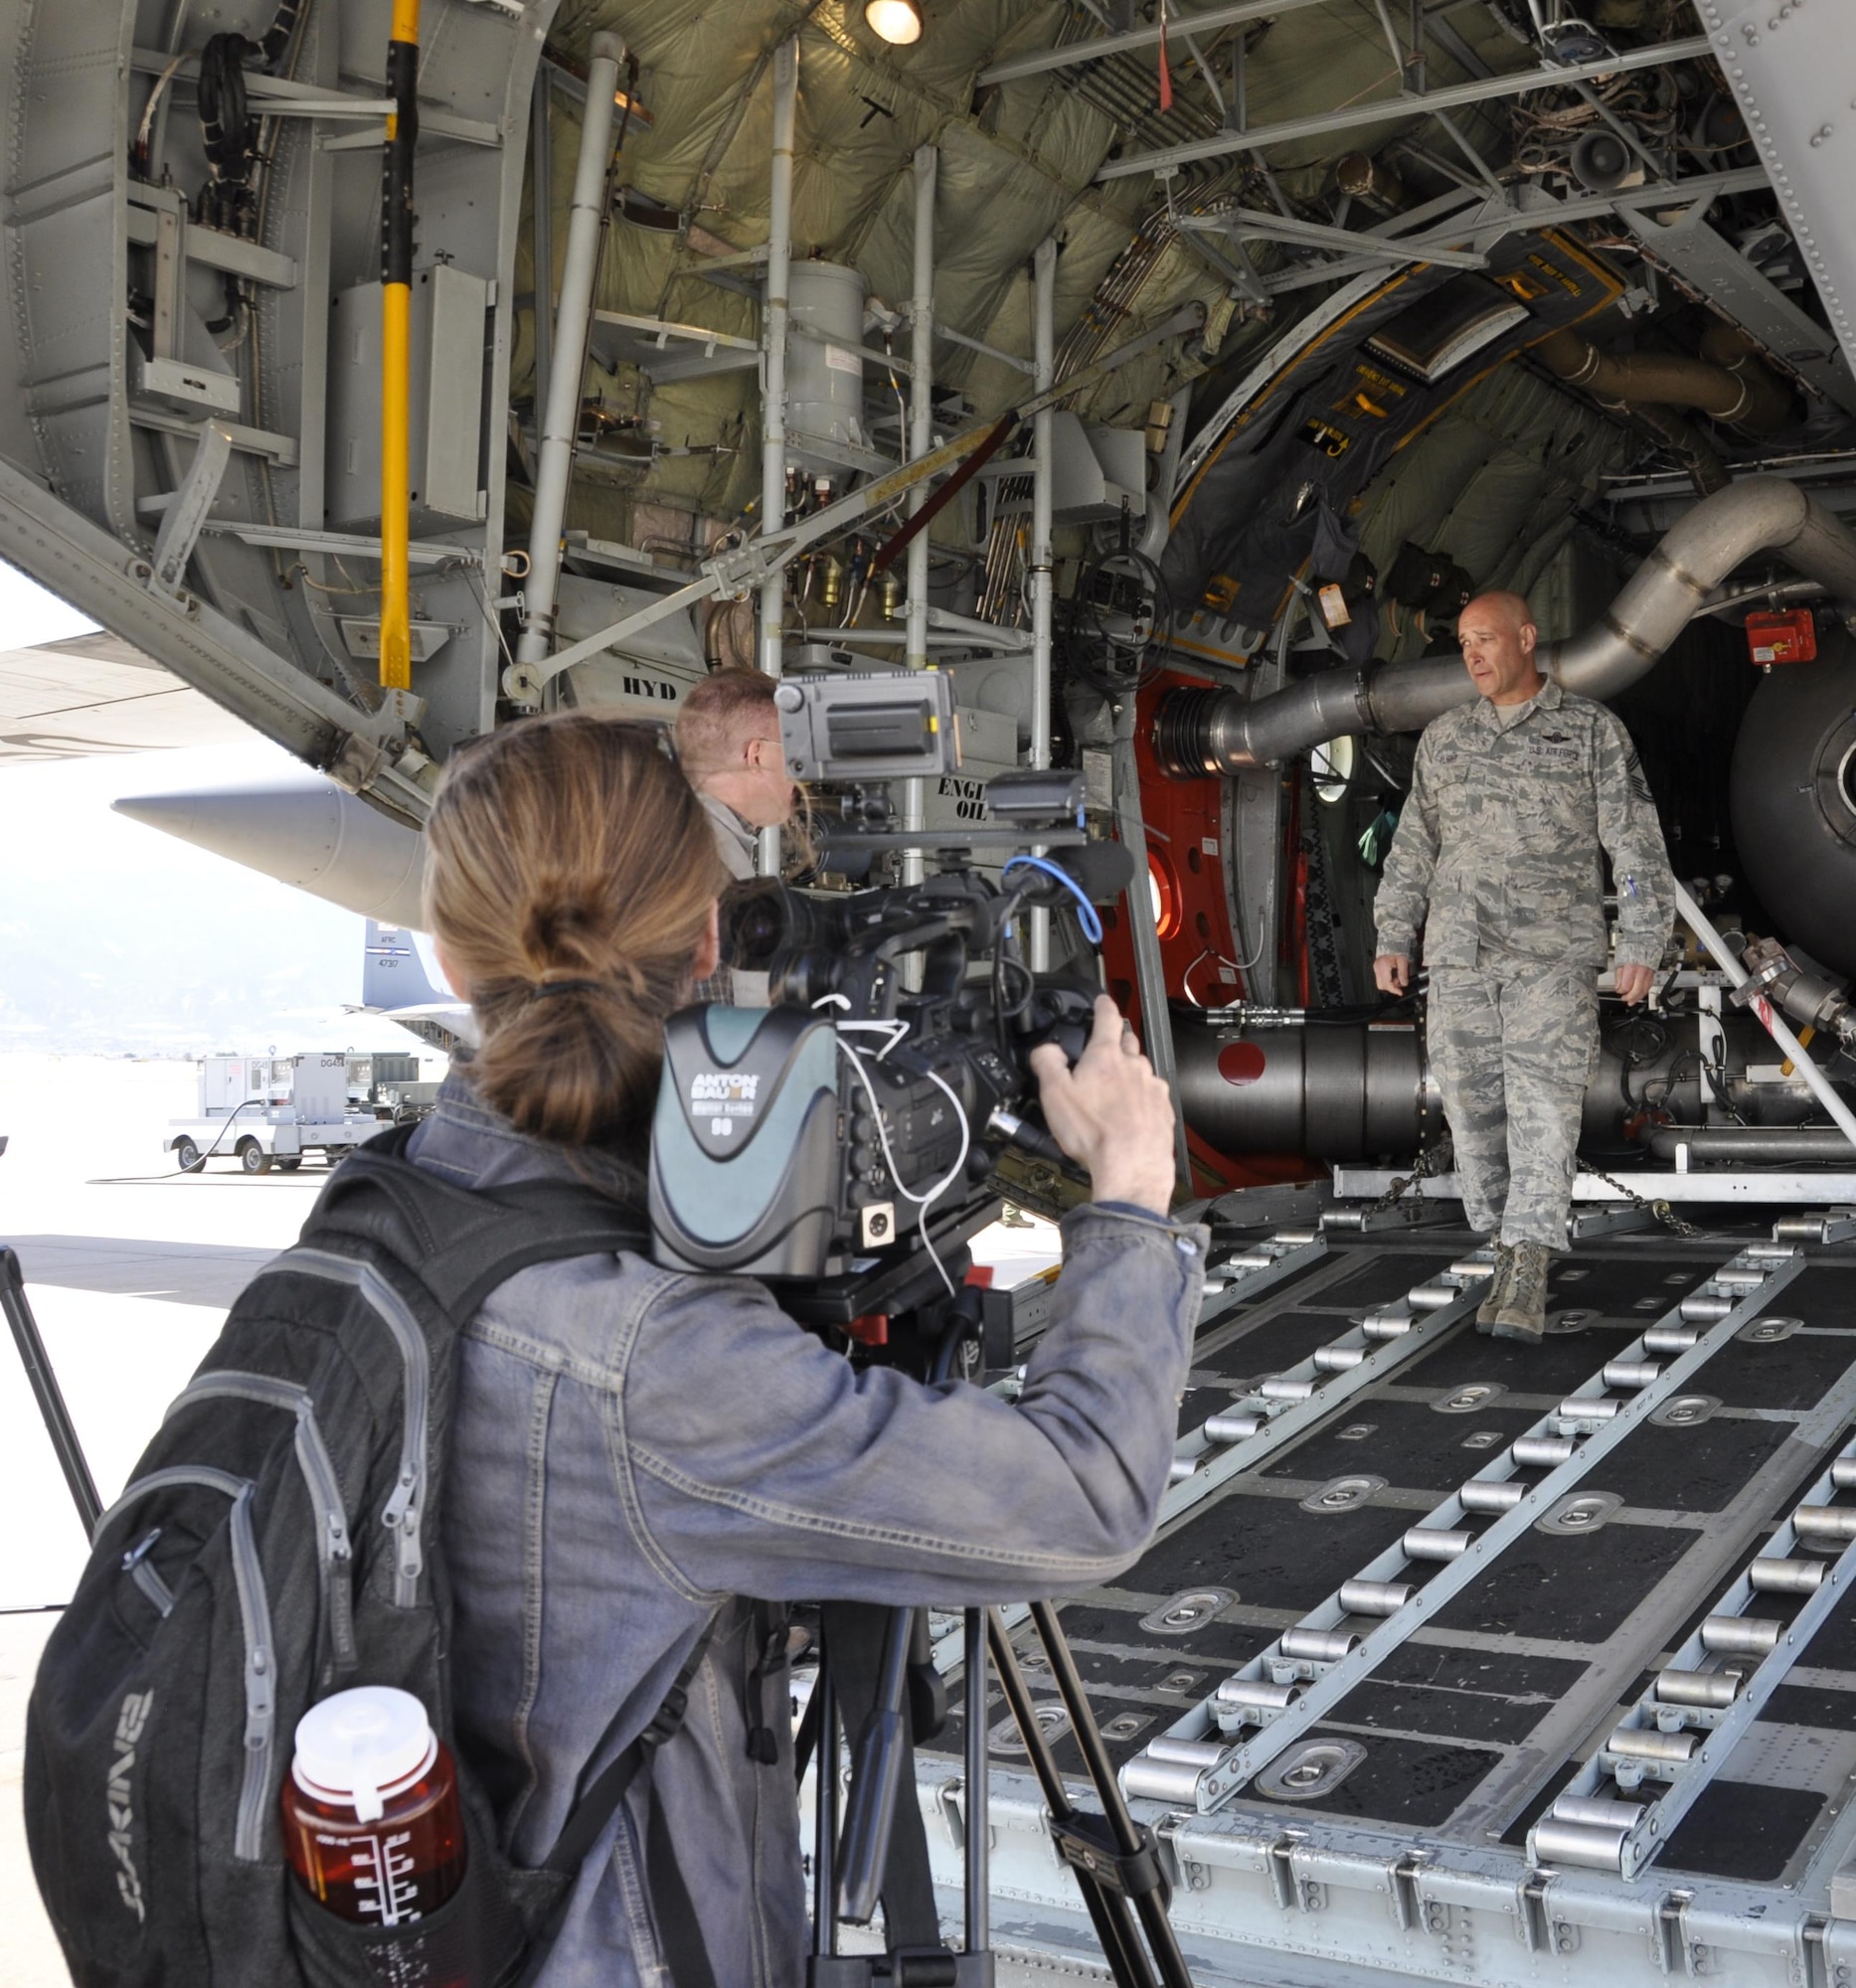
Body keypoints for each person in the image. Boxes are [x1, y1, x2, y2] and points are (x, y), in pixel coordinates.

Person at [412, 713, 1203, 1987]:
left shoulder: (379, 1208)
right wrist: (1128, 1194)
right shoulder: (657, 1364)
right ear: (712, 937)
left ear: (448, 961)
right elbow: (1091, 1491)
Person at [1372, 590, 1675, 1344]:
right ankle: (1505, 1241)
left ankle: (1528, 1262)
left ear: (1526, 639)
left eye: (1485, 639)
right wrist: (1392, 933)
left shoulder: (1589, 731)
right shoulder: (1443, 739)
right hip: (1459, 959)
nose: (1472, 654)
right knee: (1473, 1112)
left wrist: (1640, 937)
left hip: (1549, 959)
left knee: (1543, 1109)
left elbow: (1633, 842)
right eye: (1463, 642)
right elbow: (1412, 846)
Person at [674, 666, 797, 880]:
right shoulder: (714, 872)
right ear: (757, 756)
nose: (798, 772)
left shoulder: (657, 833)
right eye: (793, 753)